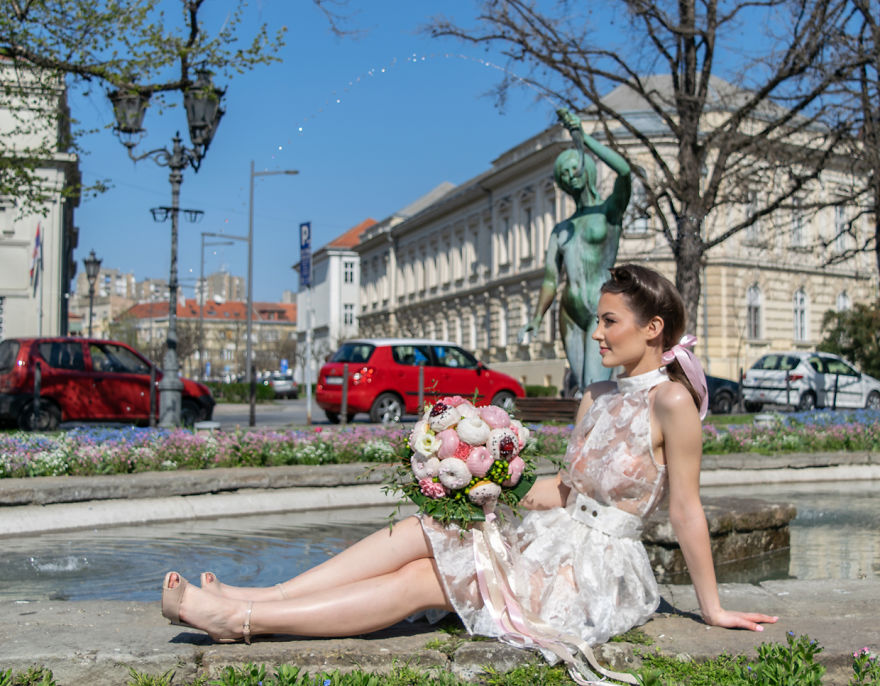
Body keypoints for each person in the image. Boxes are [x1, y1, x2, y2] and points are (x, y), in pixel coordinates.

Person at [161, 264, 777, 684]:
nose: (596, 332)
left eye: (609, 320)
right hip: (554, 534)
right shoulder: (595, 395)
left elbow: (686, 510)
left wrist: (713, 608)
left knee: (427, 580)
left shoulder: (672, 402)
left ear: (653, 328)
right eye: (597, 319)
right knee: (426, 526)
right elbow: (563, 490)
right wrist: (482, 488)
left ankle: (241, 622)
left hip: (598, 570)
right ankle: (255, 596)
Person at [519, 108, 630, 393]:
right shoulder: (561, 229)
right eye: (563, 173)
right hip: (569, 311)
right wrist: (537, 318)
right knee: (581, 387)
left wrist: (584, 138)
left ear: (586, 168)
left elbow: (624, 171)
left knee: (596, 385)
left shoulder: (609, 212)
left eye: (573, 168)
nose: (570, 176)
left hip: (600, 307)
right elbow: (550, 280)